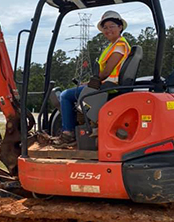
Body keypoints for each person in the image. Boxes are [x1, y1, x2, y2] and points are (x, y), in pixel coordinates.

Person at [52, 11, 131, 147]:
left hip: (108, 85)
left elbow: (107, 71)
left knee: (65, 96)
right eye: (105, 28)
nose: (108, 30)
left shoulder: (119, 46)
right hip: (108, 84)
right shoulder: (114, 45)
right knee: (73, 94)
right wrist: (88, 82)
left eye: (112, 26)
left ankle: (68, 133)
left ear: (120, 27)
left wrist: (92, 83)